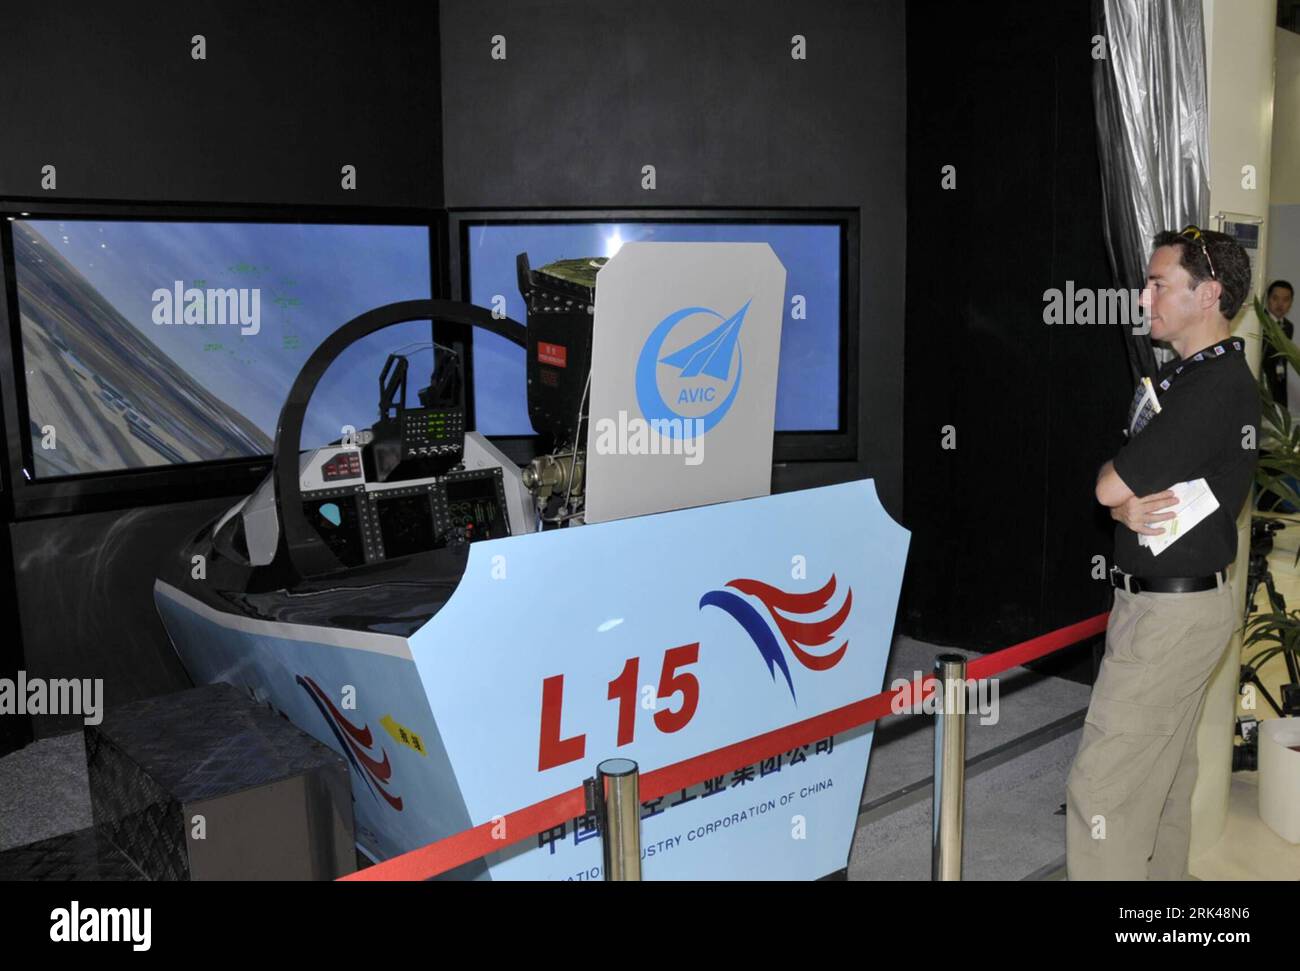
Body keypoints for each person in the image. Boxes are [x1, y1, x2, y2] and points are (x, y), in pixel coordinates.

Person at [1065, 226, 1258, 880]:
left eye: (1158, 283)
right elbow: (1131, 494)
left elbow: (1110, 483)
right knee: (1167, 782)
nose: (1143, 297)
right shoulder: (1198, 379)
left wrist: (1115, 496)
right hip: (1180, 606)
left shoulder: (1210, 388)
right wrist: (1120, 501)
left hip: (1169, 619)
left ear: (1208, 294)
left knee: (1105, 789)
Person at [1261, 279, 1294, 406]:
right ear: (1268, 299)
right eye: (1275, 298)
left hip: (1280, 382)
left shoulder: (1288, 326)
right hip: (1262, 385)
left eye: (1286, 300)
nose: (1280, 304)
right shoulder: (1260, 322)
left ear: (1291, 303)